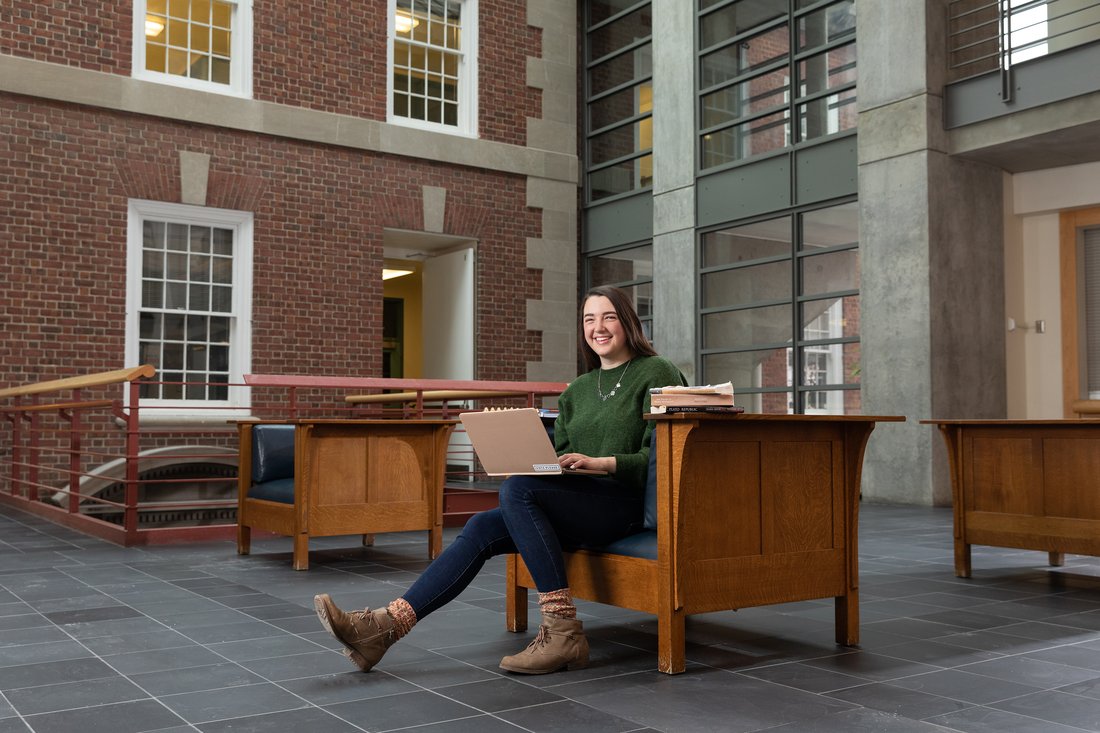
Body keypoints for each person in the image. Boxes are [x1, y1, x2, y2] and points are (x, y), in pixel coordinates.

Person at [313, 285, 685, 674]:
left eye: (608, 317)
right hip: (582, 501)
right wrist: (538, 461)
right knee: (482, 525)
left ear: (627, 321)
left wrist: (604, 462)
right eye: (589, 319)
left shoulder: (656, 372)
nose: (598, 328)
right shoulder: (577, 390)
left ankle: (562, 632)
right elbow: (565, 457)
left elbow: (661, 456)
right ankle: (386, 627)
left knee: (518, 490)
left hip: (623, 503)